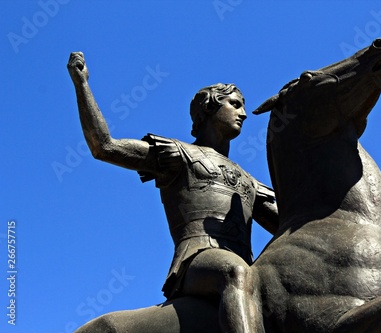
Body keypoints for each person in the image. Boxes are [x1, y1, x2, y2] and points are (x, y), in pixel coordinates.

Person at [67, 51, 279, 333]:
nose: (243, 113)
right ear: (208, 107)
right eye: (235, 104)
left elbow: (289, 224)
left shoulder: (249, 181)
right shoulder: (178, 154)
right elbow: (104, 146)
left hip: (246, 266)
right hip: (199, 259)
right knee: (235, 272)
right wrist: (81, 84)